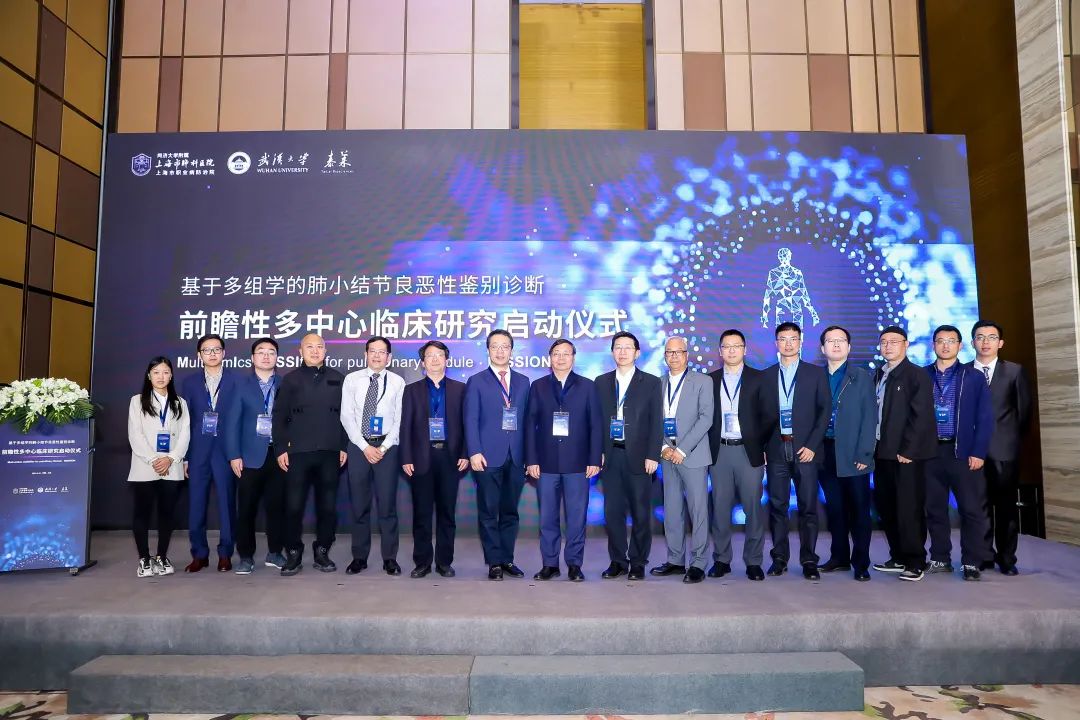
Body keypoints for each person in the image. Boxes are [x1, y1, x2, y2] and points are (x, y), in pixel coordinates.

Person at [525, 339, 603, 581]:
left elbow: (596, 425)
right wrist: (531, 459)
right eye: (556, 354)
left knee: (576, 518)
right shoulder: (538, 386)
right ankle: (549, 564)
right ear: (549, 358)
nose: (561, 358)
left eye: (566, 354)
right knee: (547, 517)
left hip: (578, 463)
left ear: (573, 358)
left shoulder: (588, 386)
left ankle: (574, 564)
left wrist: (594, 459)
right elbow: (530, 425)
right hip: (546, 463)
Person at [272, 333, 348, 576]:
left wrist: (343, 446)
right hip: (298, 452)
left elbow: (347, 417)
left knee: (327, 507)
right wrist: (281, 448)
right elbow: (279, 416)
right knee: (293, 506)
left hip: (329, 452)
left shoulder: (338, 378)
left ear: (325, 350)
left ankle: (322, 550)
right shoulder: (290, 379)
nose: (315, 351)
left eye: (319, 347)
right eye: (309, 347)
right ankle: (293, 552)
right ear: (300, 351)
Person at [761, 322, 831, 580]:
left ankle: (809, 559)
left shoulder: (816, 374)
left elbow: (824, 412)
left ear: (800, 342)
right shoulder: (766, 376)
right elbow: (759, 416)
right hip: (776, 448)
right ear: (776, 343)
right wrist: (763, 447)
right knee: (777, 506)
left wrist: (812, 445)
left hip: (805, 450)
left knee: (808, 507)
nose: (788, 343)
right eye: (783, 338)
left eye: (793, 338)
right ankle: (779, 558)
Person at [924, 325, 994, 581]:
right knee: (934, 509)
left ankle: (971, 562)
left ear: (960, 345)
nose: (945, 346)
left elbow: (985, 418)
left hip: (962, 453)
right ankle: (940, 557)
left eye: (951, 341)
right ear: (933, 345)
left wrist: (978, 452)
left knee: (971, 509)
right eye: (940, 341)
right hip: (930, 453)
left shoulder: (973, 376)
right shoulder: (922, 375)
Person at [463, 329, 532, 580]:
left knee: (510, 512)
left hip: (516, 457)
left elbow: (529, 422)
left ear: (512, 350)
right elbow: (470, 419)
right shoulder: (477, 381)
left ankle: (507, 559)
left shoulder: (524, 382)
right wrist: (474, 451)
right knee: (489, 511)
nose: (500, 351)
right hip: (487, 457)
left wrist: (529, 456)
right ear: (488, 350)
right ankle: (494, 562)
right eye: (495, 346)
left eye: (505, 346)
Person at [872, 326, 937, 582]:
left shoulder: (916, 375)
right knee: (887, 507)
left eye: (894, 341)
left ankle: (915, 560)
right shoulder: (879, 374)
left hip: (906, 454)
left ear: (906, 344)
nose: (888, 346)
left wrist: (909, 449)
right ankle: (898, 556)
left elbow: (921, 416)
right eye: (884, 342)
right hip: (882, 452)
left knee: (909, 508)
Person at [595, 331, 662, 581]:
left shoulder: (651, 382)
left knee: (641, 513)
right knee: (613, 513)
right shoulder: (601, 382)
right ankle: (618, 561)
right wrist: (597, 453)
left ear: (637, 353)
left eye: (627, 347)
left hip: (640, 457)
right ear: (612, 352)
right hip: (611, 456)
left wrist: (653, 454)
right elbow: (595, 423)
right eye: (618, 347)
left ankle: (638, 561)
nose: (622, 352)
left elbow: (656, 421)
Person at [401, 340, 468, 579]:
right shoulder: (412, 390)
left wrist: (465, 453)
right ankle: (422, 562)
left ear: (446, 360)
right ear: (423, 362)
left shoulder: (460, 389)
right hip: (421, 458)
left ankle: (444, 562)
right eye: (430, 355)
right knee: (421, 514)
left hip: (450, 458)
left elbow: (466, 424)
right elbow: (405, 426)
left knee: (447, 514)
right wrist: (406, 456)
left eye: (439, 355)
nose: (435, 359)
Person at [650, 336, 714, 584]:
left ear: (687, 355)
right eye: (669, 352)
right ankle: (675, 560)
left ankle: (698, 563)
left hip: (693, 455)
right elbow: (652, 420)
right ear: (665, 356)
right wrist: (663, 447)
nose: (674, 356)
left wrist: (682, 449)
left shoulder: (703, 381)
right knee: (672, 510)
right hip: (667, 455)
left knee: (698, 511)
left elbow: (706, 418)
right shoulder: (658, 384)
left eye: (678, 352)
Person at [341, 336, 406, 576]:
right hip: (359, 447)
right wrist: (364, 446)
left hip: (387, 448)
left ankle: (390, 559)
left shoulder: (398, 382)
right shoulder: (352, 379)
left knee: (387, 506)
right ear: (365, 354)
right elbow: (347, 416)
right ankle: (359, 557)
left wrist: (384, 447)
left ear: (389, 357)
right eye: (372, 351)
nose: (377, 356)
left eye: (382, 352)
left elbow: (399, 419)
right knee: (359, 505)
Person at [816, 326, 877, 581]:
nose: (836, 345)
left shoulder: (861, 376)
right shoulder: (815, 376)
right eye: (831, 341)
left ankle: (861, 563)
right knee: (835, 509)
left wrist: (865, 453)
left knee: (860, 510)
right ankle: (839, 557)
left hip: (854, 452)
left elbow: (870, 417)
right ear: (822, 348)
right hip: (825, 452)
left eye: (841, 340)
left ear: (849, 347)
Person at [971, 320, 1032, 575]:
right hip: (971, 452)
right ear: (973, 342)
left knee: (1006, 508)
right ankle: (984, 555)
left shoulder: (1014, 371)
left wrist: (1010, 441)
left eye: (992, 337)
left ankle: (1007, 558)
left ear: (1001, 343)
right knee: (978, 507)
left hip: (1005, 451)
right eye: (980, 337)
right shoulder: (963, 372)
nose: (986, 342)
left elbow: (1024, 413)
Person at [706, 329, 767, 582]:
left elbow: (768, 416)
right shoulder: (709, 380)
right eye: (726, 346)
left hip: (748, 451)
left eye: (736, 346)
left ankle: (753, 561)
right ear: (720, 351)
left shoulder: (759, 379)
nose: (731, 350)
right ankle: (722, 559)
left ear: (744, 349)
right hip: (719, 451)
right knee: (720, 508)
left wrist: (764, 447)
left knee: (753, 508)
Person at [223, 337, 287, 575]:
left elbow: (292, 420)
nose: (266, 356)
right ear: (253, 358)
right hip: (249, 457)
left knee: (276, 508)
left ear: (277, 358)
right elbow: (231, 423)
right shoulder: (241, 385)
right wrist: (234, 455)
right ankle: (246, 556)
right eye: (261, 352)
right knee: (247, 510)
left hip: (278, 455)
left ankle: (275, 552)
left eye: (271, 352)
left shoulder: (285, 384)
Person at [127, 357, 190, 578]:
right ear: (149, 375)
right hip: (145, 466)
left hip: (172, 467)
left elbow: (185, 434)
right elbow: (135, 434)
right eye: (156, 372)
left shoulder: (180, 403)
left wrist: (171, 458)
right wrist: (154, 459)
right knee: (142, 513)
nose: (161, 377)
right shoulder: (137, 401)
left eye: (165, 372)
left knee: (167, 514)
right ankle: (144, 558)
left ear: (171, 375)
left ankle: (162, 556)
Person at [179, 333, 237, 572]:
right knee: (196, 504)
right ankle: (199, 554)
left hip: (225, 450)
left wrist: (237, 453)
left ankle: (225, 554)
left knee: (227, 503)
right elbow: (184, 422)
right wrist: (185, 457)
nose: (212, 354)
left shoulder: (236, 380)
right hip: (198, 451)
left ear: (224, 353)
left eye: (216, 349)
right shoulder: (189, 382)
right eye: (207, 350)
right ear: (199, 355)